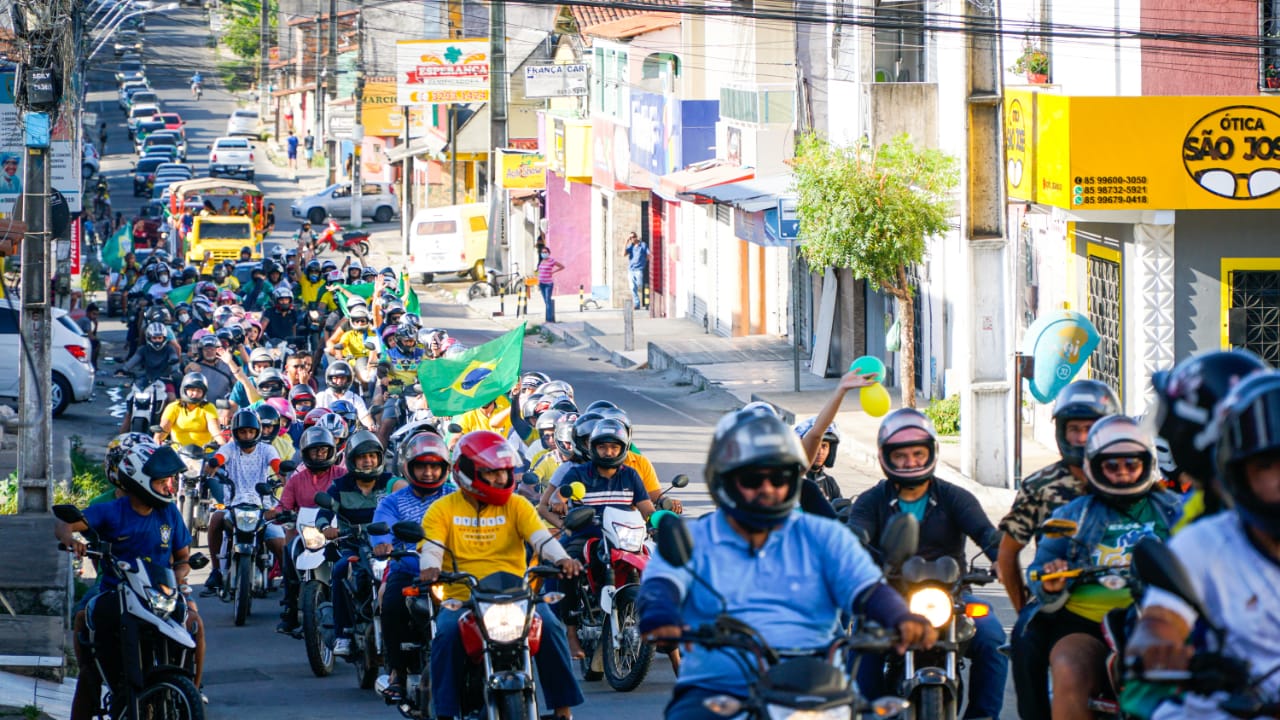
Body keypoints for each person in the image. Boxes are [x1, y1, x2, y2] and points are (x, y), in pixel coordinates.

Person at [637, 405, 937, 719]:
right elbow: (662, 583)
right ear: (724, 478)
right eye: (753, 478)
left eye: (779, 476)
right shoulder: (696, 539)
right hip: (719, 686)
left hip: (818, 685)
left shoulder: (824, 536)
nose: (768, 488)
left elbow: (866, 587)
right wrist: (660, 614)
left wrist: (901, 616)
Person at [1123, 370, 1280, 720]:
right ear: (1239, 471)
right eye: (1268, 464)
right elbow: (1162, 618)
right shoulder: (1204, 542)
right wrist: (1159, 646)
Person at [846, 408, 1007, 719]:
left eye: (918, 454)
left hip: (952, 598)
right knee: (861, 641)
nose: (911, 462)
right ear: (886, 457)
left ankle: (983, 716)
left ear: (931, 453)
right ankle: (870, 713)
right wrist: (852, 544)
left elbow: (985, 533)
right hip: (888, 599)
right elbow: (857, 532)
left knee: (992, 637)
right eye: (902, 455)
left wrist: (1001, 559)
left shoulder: (954, 497)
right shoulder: (871, 501)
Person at [419, 430, 585, 719]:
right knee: (444, 636)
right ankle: (444, 713)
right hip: (463, 599)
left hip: (518, 597)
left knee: (551, 626)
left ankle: (563, 710)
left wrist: (564, 560)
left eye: (504, 473)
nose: (500, 479)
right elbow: (431, 546)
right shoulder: (442, 509)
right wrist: (430, 568)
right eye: (491, 473)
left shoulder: (517, 505)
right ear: (467, 472)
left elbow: (542, 540)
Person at [1026, 415, 1181, 720]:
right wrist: (1049, 582)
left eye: (1131, 464)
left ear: (1147, 464)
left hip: (1162, 623)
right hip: (1087, 626)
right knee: (1069, 668)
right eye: (1112, 465)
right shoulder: (1071, 515)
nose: (1122, 473)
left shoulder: (1176, 510)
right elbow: (1037, 569)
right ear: (1094, 467)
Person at [56, 441, 205, 720]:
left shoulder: (169, 512)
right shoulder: (112, 510)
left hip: (162, 596)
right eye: (162, 482)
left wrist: (180, 578)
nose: (169, 488)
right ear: (140, 481)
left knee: (195, 623)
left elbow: (183, 559)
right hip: (118, 595)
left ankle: (191, 693)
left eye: (169, 481)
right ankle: (100, 678)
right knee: (88, 659)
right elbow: (66, 525)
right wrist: (70, 539)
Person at [1000, 379, 1121, 720]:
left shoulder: (1130, 473)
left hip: (1126, 597)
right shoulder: (1041, 485)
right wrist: (1028, 605)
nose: (1082, 439)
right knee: (1025, 638)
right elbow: (1008, 554)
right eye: (1074, 429)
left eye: (1091, 428)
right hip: (1060, 597)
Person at [370, 433, 457, 702]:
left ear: (445, 468)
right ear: (408, 467)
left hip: (451, 572)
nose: (429, 472)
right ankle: (397, 672)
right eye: (422, 466)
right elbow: (380, 527)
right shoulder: (392, 501)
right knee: (391, 604)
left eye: (434, 466)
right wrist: (383, 544)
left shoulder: (456, 496)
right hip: (407, 570)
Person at [267, 425, 347, 634]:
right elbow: (284, 505)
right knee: (289, 551)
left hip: (336, 531)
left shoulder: (342, 475)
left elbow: (352, 497)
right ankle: (291, 611)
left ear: (331, 451)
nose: (319, 455)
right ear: (305, 452)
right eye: (314, 450)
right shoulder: (296, 479)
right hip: (307, 534)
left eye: (323, 450)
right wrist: (279, 513)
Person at [320, 430, 392, 657]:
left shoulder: (390, 482)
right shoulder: (340, 485)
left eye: (372, 456)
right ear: (352, 460)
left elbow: (405, 500)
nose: (368, 461)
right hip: (352, 545)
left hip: (385, 547)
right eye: (362, 457)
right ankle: (343, 633)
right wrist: (326, 528)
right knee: (341, 570)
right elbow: (323, 512)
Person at [203, 410, 284, 595]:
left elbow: (277, 465)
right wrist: (214, 463)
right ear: (235, 432)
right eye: (242, 432)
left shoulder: (267, 449)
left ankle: (291, 583)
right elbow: (220, 457)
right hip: (233, 506)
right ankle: (215, 570)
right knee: (215, 519)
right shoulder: (230, 448)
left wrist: (283, 475)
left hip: (262, 508)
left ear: (257, 432)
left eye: (250, 431)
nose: (247, 436)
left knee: (280, 544)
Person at [154, 372, 221, 451]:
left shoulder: (209, 407)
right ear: (184, 390)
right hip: (178, 453)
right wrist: (157, 439)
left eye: (199, 391)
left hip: (204, 454)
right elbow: (165, 427)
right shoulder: (173, 407)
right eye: (192, 390)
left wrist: (222, 444)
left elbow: (215, 430)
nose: (195, 393)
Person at [536, 246, 565, 323]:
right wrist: (538, 280)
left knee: (548, 301)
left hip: (548, 284)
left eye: (545, 252)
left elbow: (562, 266)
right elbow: (539, 272)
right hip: (541, 283)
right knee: (546, 301)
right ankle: (550, 316)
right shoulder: (541, 261)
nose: (544, 253)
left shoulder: (552, 261)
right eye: (542, 252)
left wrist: (554, 272)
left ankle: (549, 320)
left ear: (548, 253)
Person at [625, 232, 648, 310]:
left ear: (636, 237)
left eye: (633, 237)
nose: (632, 239)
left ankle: (645, 296)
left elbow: (648, 254)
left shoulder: (643, 245)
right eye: (630, 238)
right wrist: (626, 242)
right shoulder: (630, 246)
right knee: (632, 287)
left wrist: (644, 261)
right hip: (631, 270)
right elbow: (623, 254)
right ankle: (637, 304)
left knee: (639, 285)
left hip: (639, 269)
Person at [77, 303, 102, 370]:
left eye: (97, 314)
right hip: (78, 341)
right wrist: (96, 339)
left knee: (95, 342)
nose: (95, 317)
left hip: (79, 339)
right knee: (96, 343)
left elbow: (92, 335)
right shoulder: (86, 320)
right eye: (93, 314)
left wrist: (96, 326)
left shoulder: (86, 320)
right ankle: (92, 364)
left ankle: (93, 364)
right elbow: (91, 337)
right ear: (88, 313)